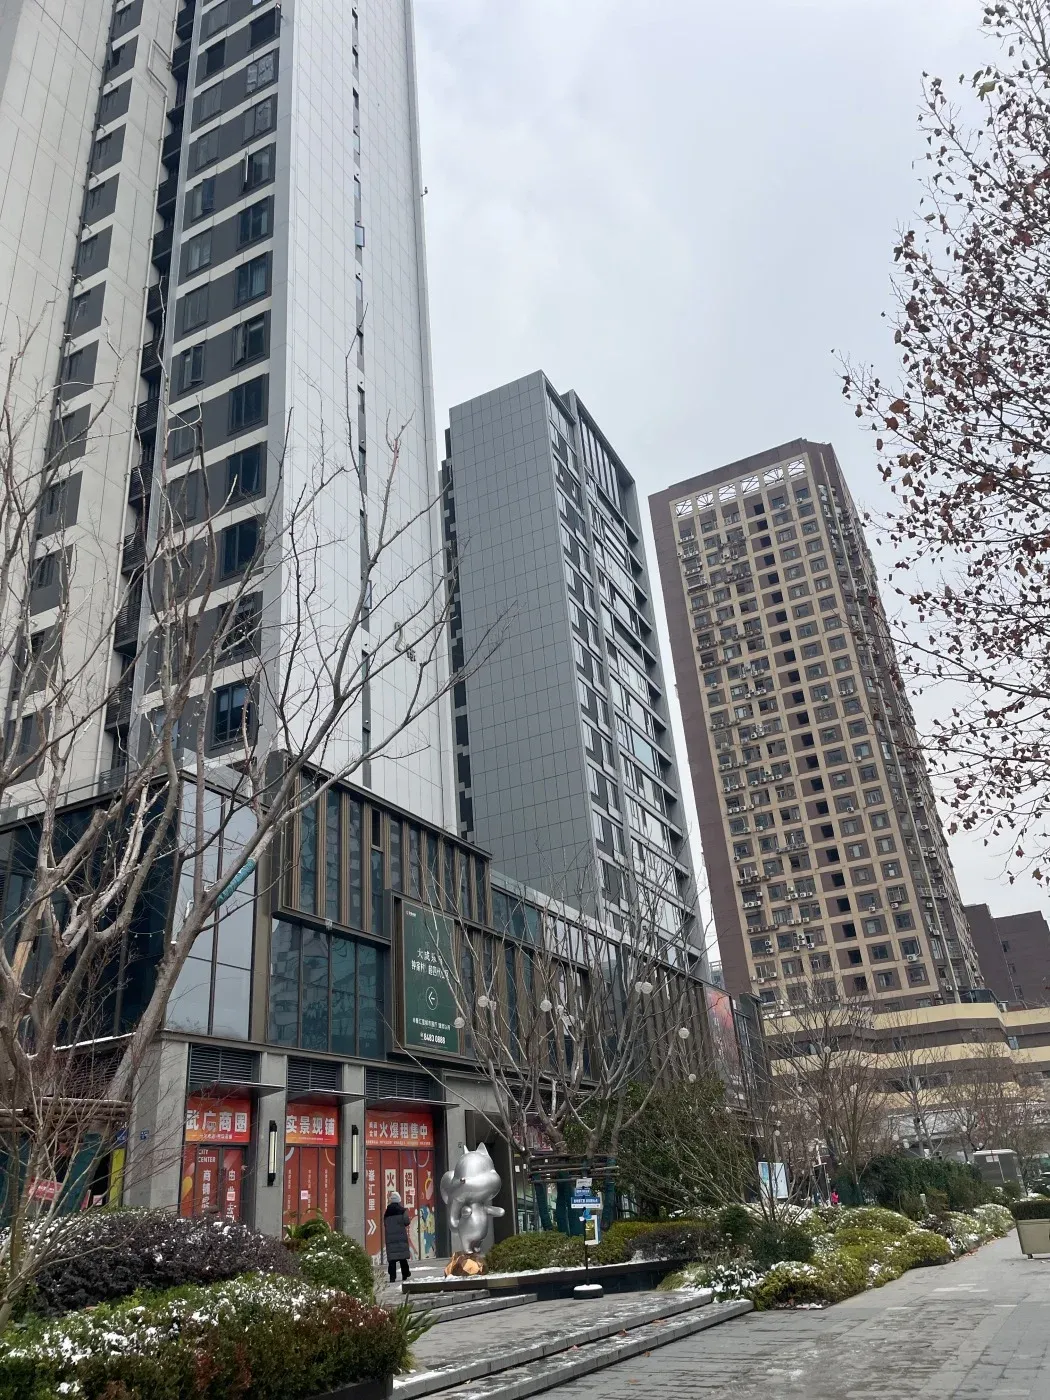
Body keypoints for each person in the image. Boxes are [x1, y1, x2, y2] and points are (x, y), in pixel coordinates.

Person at [384, 1191, 412, 1283]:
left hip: (390, 1238)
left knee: (392, 1259)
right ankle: (405, 1274)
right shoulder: (403, 1211)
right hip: (401, 1237)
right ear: (399, 1200)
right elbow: (407, 1222)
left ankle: (392, 1277)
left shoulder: (387, 1212)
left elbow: (385, 1224)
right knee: (402, 1257)